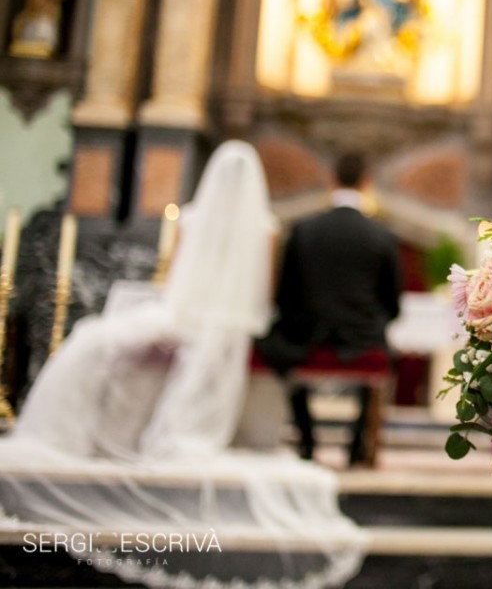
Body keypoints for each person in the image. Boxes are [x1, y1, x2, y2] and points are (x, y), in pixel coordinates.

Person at [0, 140, 367, 589]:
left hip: (187, 318)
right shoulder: (266, 226)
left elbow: (177, 280)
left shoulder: (193, 218)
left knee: (95, 340)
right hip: (230, 332)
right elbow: (266, 295)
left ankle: (109, 432)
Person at [259, 151, 402, 465]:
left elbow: (283, 295)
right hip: (361, 338)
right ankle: (356, 445)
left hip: (306, 335)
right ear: (367, 183)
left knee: (273, 343)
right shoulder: (381, 235)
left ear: (331, 180)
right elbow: (392, 303)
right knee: (381, 346)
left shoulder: (303, 229)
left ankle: (307, 439)